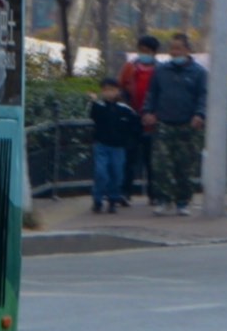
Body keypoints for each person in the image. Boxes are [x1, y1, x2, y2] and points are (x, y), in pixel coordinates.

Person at [145, 32, 210, 216]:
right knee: (161, 164)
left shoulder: (199, 73)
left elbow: (203, 97)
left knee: (185, 165)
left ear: (187, 50)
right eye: (172, 48)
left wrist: (199, 115)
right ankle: (164, 199)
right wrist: (148, 112)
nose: (174, 52)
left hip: (188, 125)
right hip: (164, 123)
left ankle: (183, 201)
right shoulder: (160, 71)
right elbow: (152, 94)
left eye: (178, 48)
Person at [87, 76, 142, 213]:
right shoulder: (98, 106)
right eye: (105, 90)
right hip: (102, 145)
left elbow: (135, 125)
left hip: (118, 147)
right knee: (101, 173)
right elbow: (93, 115)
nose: (108, 93)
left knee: (117, 174)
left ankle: (113, 199)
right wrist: (93, 101)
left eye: (111, 90)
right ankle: (97, 199)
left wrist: (129, 140)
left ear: (118, 91)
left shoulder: (125, 109)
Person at [120, 34, 160, 202]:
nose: (144, 53)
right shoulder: (130, 68)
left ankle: (154, 194)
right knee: (129, 157)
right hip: (132, 118)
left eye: (147, 51)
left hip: (153, 119)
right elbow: (121, 87)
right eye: (141, 50)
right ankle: (125, 193)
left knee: (152, 160)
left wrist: (155, 114)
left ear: (154, 52)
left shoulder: (160, 70)